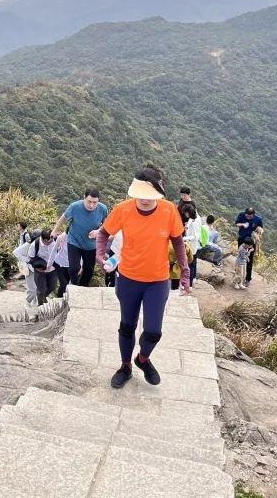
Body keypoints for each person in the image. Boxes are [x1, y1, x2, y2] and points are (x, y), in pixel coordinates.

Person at [95, 166, 189, 389]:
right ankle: (126, 366)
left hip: (157, 280)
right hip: (128, 277)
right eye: (140, 196)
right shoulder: (123, 210)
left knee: (154, 331)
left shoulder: (168, 211)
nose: (144, 201)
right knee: (127, 326)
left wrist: (185, 272)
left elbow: (177, 241)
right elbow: (103, 233)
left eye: (150, 196)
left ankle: (143, 359)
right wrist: (101, 257)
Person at [52, 187, 108, 287]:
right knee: (74, 268)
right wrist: (55, 230)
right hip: (74, 241)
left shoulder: (103, 209)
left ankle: (82, 287)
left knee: (89, 271)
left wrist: (98, 231)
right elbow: (63, 218)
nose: (91, 205)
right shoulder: (75, 207)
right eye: (89, 201)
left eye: (95, 202)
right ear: (84, 198)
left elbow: (106, 225)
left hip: (91, 245)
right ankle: (74, 285)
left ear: (98, 201)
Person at [26, 229, 57, 305]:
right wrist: (39, 265)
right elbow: (31, 257)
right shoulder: (35, 244)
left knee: (52, 287)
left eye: (50, 241)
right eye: (46, 242)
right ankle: (40, 306)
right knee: (41, 290)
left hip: (52, 269)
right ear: (43, 239)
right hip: (40, 271)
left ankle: (43, 297)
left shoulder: (56, 241)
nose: (48, 243)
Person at [235, 207, 264, 287]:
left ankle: (247, 279)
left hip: (251, 242)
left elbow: (260, 230)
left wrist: (258, 232)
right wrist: (243, 224)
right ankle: (238, 278)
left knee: (249, 260)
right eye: (246, 215)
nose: (247, 217)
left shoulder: (258, 219)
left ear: (253, 215)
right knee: (241, 258)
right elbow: (236, 223)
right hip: (242, 240)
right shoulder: (241, 215)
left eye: (249, 216)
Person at [183, 206, 201, 285]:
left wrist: (184, 238)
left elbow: (195, 237)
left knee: (190, 264)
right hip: (193, 245)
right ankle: (193, 279)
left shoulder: (195, 223)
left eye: (185, 213)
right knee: (193, 263)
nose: (185, 215)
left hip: (192, 245)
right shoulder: (194, 218)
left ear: (188, 213)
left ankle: (189, 284)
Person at [51, 232, 70, 298]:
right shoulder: (62, 237)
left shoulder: (79, 237)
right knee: (64, 283)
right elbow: (53, 251)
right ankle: (60, 298)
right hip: (60, 264)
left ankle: (63, 297)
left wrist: (81, 265)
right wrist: (49, 264)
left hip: (71, 264)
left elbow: (81, 252)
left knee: (68, 283)